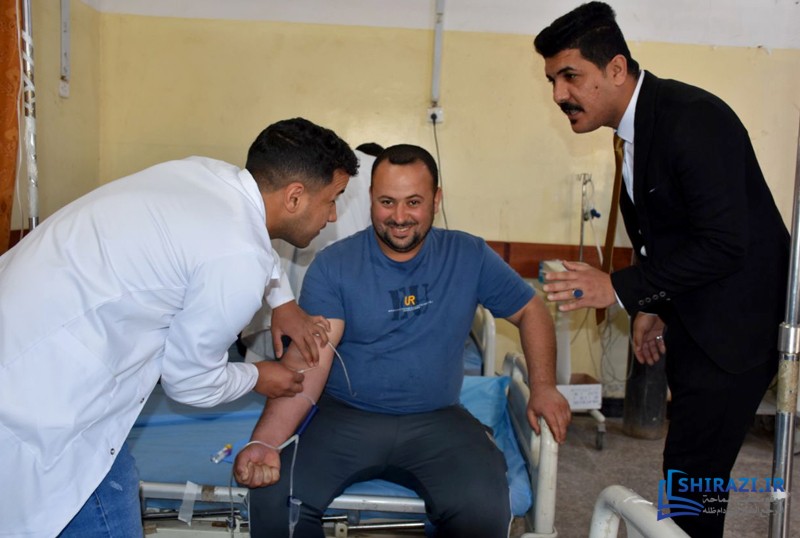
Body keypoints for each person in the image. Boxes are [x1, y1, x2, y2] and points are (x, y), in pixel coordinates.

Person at [0, 117, 358, 538]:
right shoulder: (238, 257)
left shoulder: (204, 173)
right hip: (44, 401)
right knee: (100, 495)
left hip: (24, 333)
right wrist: (258, 376)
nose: (333, 216)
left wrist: (284, 301)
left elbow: (240, 243)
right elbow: (189, 383)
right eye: (332, 200)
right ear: (295, 196)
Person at [533, 3, 789, 536]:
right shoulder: (634, 131)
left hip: (735, 332)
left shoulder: (692, 118)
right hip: (698, 318)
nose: (558, 94)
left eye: (570, 76)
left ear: (616, 69)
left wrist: (618, 288)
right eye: (553, 79)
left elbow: (725, 243)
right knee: (690, 476)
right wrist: (654, 306)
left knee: (692, 480)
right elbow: (669, 235)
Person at [234, 143, 571, 538]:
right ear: (370, 200)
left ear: (436, 200)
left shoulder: (468, 256)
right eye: (386, 202)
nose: (398, 217)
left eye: (413, 202)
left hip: (437, 419)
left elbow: (531, 310)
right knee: (273, 500)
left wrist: (543, 387)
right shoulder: (337, 264)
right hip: (344, 418)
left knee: (483, 512)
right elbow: (312, 360)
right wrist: (266, 442)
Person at [242, 143, 383, 362]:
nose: (333, 216)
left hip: (280, 308)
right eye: (332, 201)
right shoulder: (373, 173)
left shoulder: (325, 170)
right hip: (331, 308)